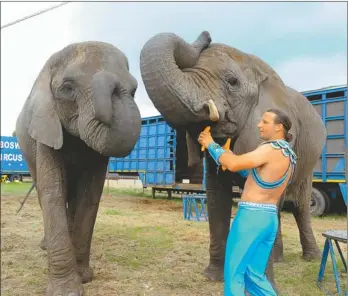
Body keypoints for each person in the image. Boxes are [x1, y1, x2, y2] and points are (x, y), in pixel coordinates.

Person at [198, 108, 297, 296]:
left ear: (279, 127)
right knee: (254, 275)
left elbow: (235, 164)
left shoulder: (269, 148)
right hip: (269, 219)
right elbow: (257, 177)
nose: (259, 124)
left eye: (265, 121)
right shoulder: (289, 155)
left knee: (234, 272)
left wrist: (211, 144)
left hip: (251, 218)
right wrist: (228, 157)